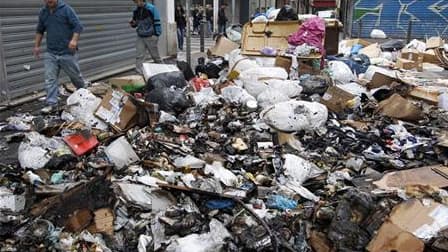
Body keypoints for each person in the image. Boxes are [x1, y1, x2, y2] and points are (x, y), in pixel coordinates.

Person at [33, 0, 88, 113]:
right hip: (51, 53)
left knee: (76, 78)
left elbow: (78, 26)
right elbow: (40, 30)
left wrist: (74, 40)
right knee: (50, 79)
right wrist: (37, 46)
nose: (49, 0)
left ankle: (85, 95)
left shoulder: (66, 9)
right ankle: (51, 104)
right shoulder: (43, 12)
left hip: (67, 52)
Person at [130, 0, 162, 75]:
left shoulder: (152, 8)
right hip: (140, 36)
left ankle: (163, 72)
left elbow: (157, 21)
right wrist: (132, 23)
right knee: (139, 56)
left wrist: (157, 34)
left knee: (156, 57)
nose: (136, 4)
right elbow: (135, 24)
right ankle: (139, 75)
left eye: (137, 2)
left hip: (150, 36)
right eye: (135, 2)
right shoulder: (136, 11)